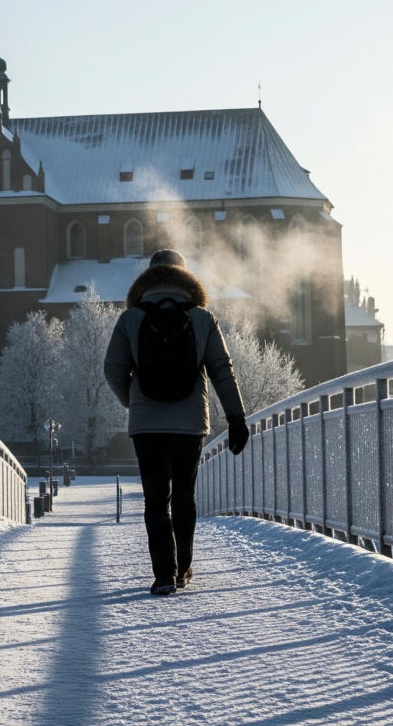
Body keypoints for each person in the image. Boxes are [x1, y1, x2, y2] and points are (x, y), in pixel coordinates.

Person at [103, 249, 250, 595]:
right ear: (185, 278)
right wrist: (236, 417)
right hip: (189, 424)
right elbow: (221, 371)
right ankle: (184, 568)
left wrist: (134, 401)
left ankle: (164, 575)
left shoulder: (131, 319)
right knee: (184, 496)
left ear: (149, 278)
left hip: (147, 426)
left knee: (156, 499)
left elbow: (112, 369)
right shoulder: (202, 318)